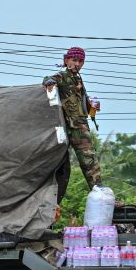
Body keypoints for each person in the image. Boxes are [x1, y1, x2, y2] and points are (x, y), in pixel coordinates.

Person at [43, 47, 102, 190]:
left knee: (90, 163)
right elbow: (48, 79)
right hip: (70, 127)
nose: (77, 64)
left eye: (81, 61)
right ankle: (99, 192)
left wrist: (91, 106)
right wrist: (50, 82)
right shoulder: (63, 76)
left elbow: (80, 104)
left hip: (80, 125)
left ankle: (99, 193)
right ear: (66, 60)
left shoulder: (78, 79)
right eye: (74, 60)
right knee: (81, 162)